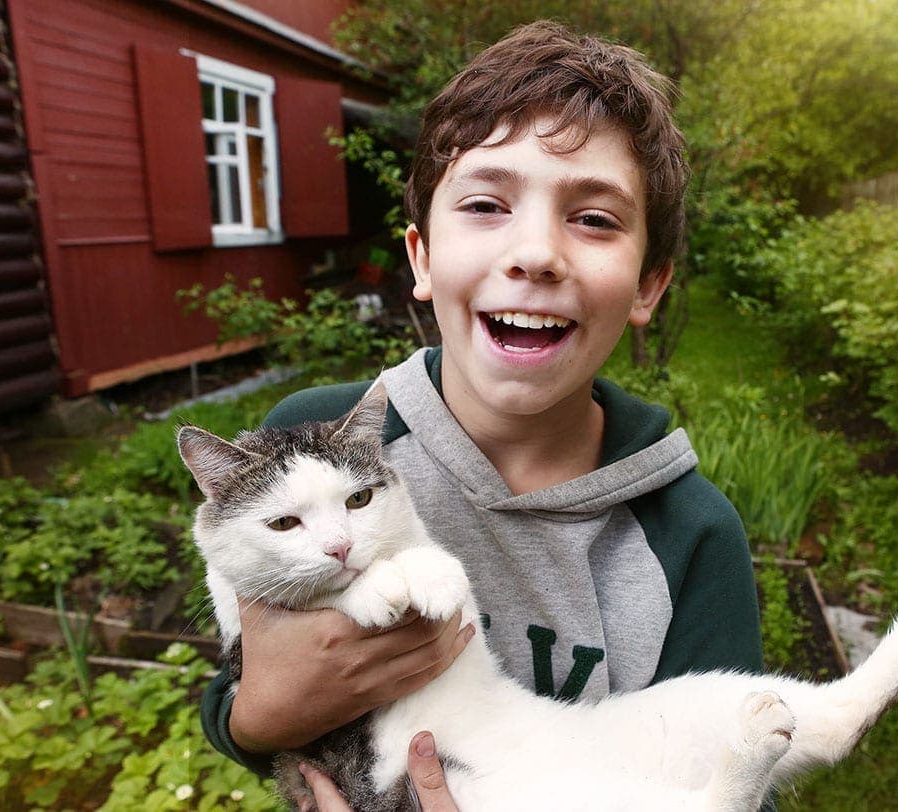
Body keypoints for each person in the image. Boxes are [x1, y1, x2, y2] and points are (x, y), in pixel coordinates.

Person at [200, 20, 764, 810]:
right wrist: (256, 719)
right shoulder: (320, 448)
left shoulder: (689, 535)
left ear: (647, 287)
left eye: (594, 218)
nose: (534, 253)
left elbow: (740, 775)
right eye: (486, 204)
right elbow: (240, 685)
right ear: (422, 257)